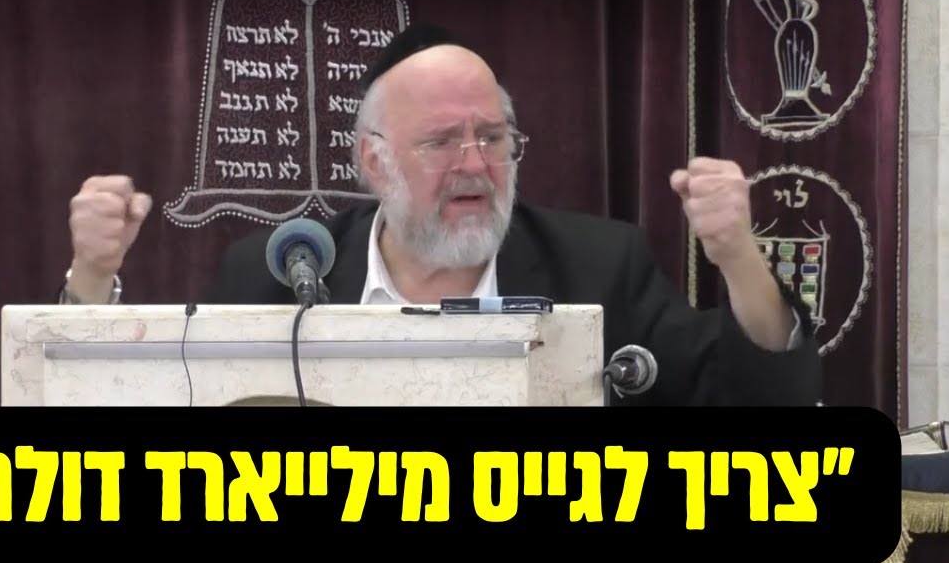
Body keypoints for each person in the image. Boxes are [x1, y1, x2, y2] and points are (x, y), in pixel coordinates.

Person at [62, 24, 824, 407]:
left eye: (491, 137)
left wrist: (738, 257)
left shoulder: (597, 266)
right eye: (439, 142)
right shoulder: (277, 277)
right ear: (373, 161)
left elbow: (762, 403)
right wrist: (92, 277)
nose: (474, 163)